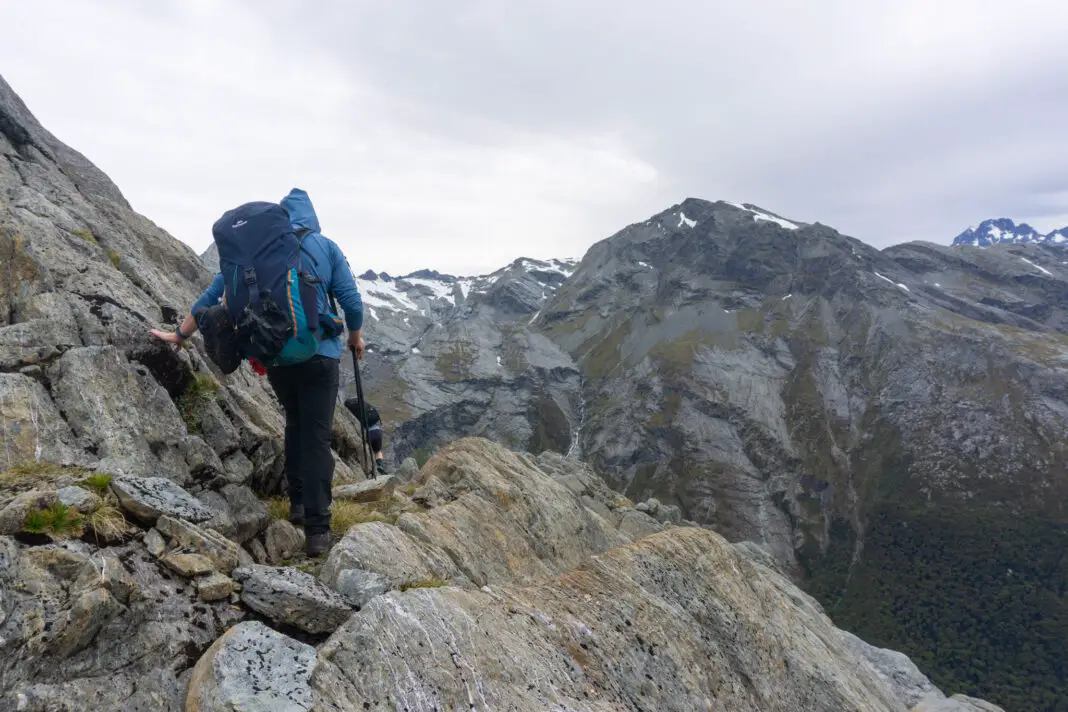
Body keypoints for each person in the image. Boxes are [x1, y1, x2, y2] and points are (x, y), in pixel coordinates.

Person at [151, 188, 364, 557]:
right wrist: (356, 336)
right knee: (315, 435)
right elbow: (351, 300)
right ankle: (317, 529)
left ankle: (297, 504)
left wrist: (180, 335)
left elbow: (210, 297)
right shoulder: (323, 246)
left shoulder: (258, 252)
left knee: (295, 422)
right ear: (311, 218)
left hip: (276, 354)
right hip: (319, 354)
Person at [344, 398, 387, 476]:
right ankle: (380, 466)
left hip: (366, 434)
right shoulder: (366, 408)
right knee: (378, 451)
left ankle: (369, 470)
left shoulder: (352, 411)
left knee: (366, 451)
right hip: (377, 432)